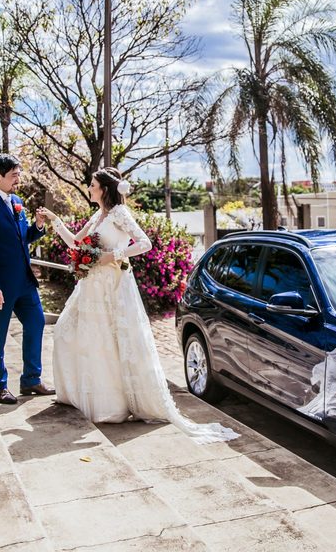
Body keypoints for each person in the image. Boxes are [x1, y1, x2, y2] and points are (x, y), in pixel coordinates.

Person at [38, 167, 238, 444]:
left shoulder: (120, 214)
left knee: (106, 342)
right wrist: (54, 220)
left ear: (104, 189)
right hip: (90, 286)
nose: (89, 188)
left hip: (112, 285)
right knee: (68, 333)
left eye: (93, 184)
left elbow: (144, 243)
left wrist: (113, 255)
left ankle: (111, 405)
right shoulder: (98, 215)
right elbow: (75, 242)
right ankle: (80, 395)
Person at [0, 154, 55, 404]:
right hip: (1, 286)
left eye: (18, 173)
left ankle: (31, 379)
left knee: (36, 323)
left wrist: (37, 227)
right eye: (14, 175)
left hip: (24, 282)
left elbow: (22, 238)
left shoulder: (17, 201)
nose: (18, 179)